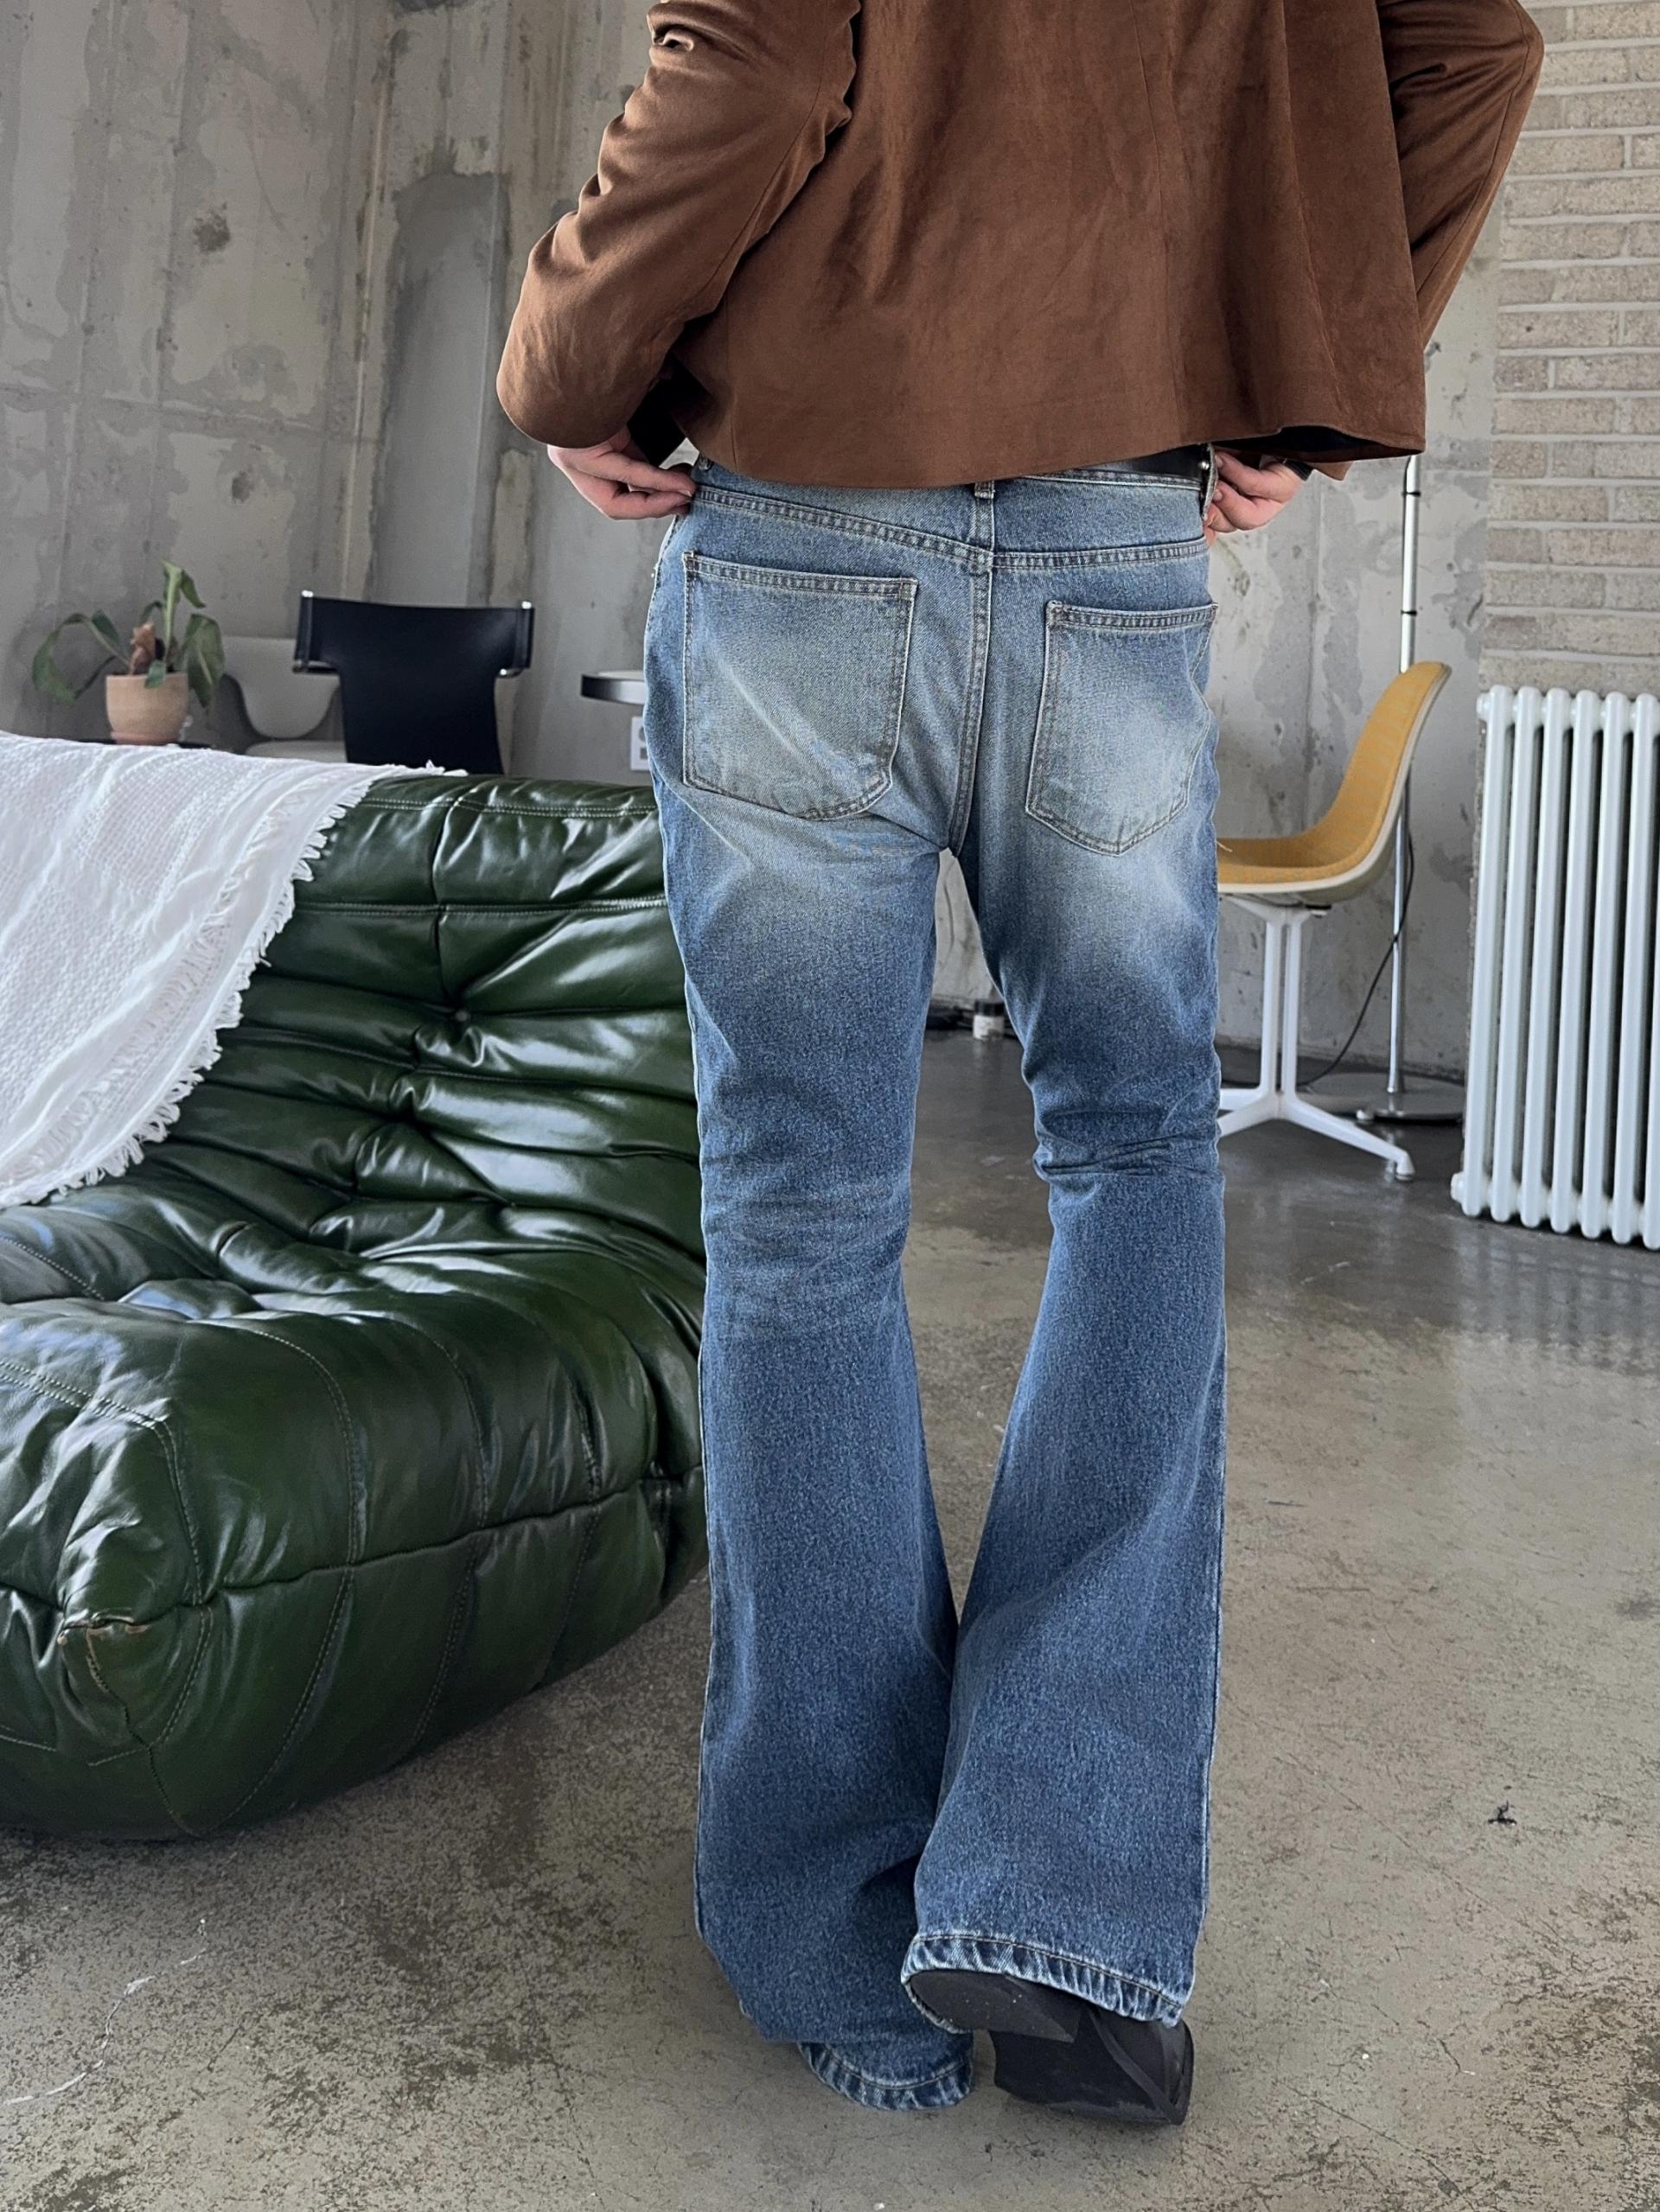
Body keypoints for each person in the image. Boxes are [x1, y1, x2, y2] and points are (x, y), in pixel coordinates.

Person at [498, 0, 1542, 2123]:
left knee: (803, 1214)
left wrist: (562, 363)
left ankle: (841, 1939)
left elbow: (760, 62)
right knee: (1138, 1160)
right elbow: (1478, 52)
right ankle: (1059, 1899)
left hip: (806, 532)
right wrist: (1316, 380)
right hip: (1107, 544)